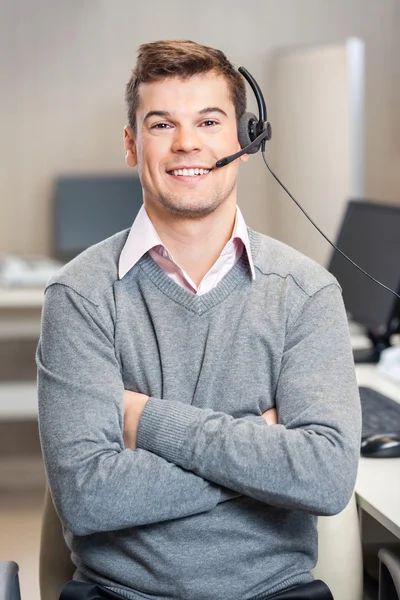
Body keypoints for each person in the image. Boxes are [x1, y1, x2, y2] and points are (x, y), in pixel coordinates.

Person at [37, 40, 361, 600]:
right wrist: (258, 449)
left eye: (209, 121)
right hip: (118, 596)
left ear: (244, 138)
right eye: (161, 124)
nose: (187, 143)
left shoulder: (307, 293)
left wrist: (149, 422)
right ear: (131, 144)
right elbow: (88, 496)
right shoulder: (79, 297)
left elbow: (325, 477)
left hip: (276, 594)